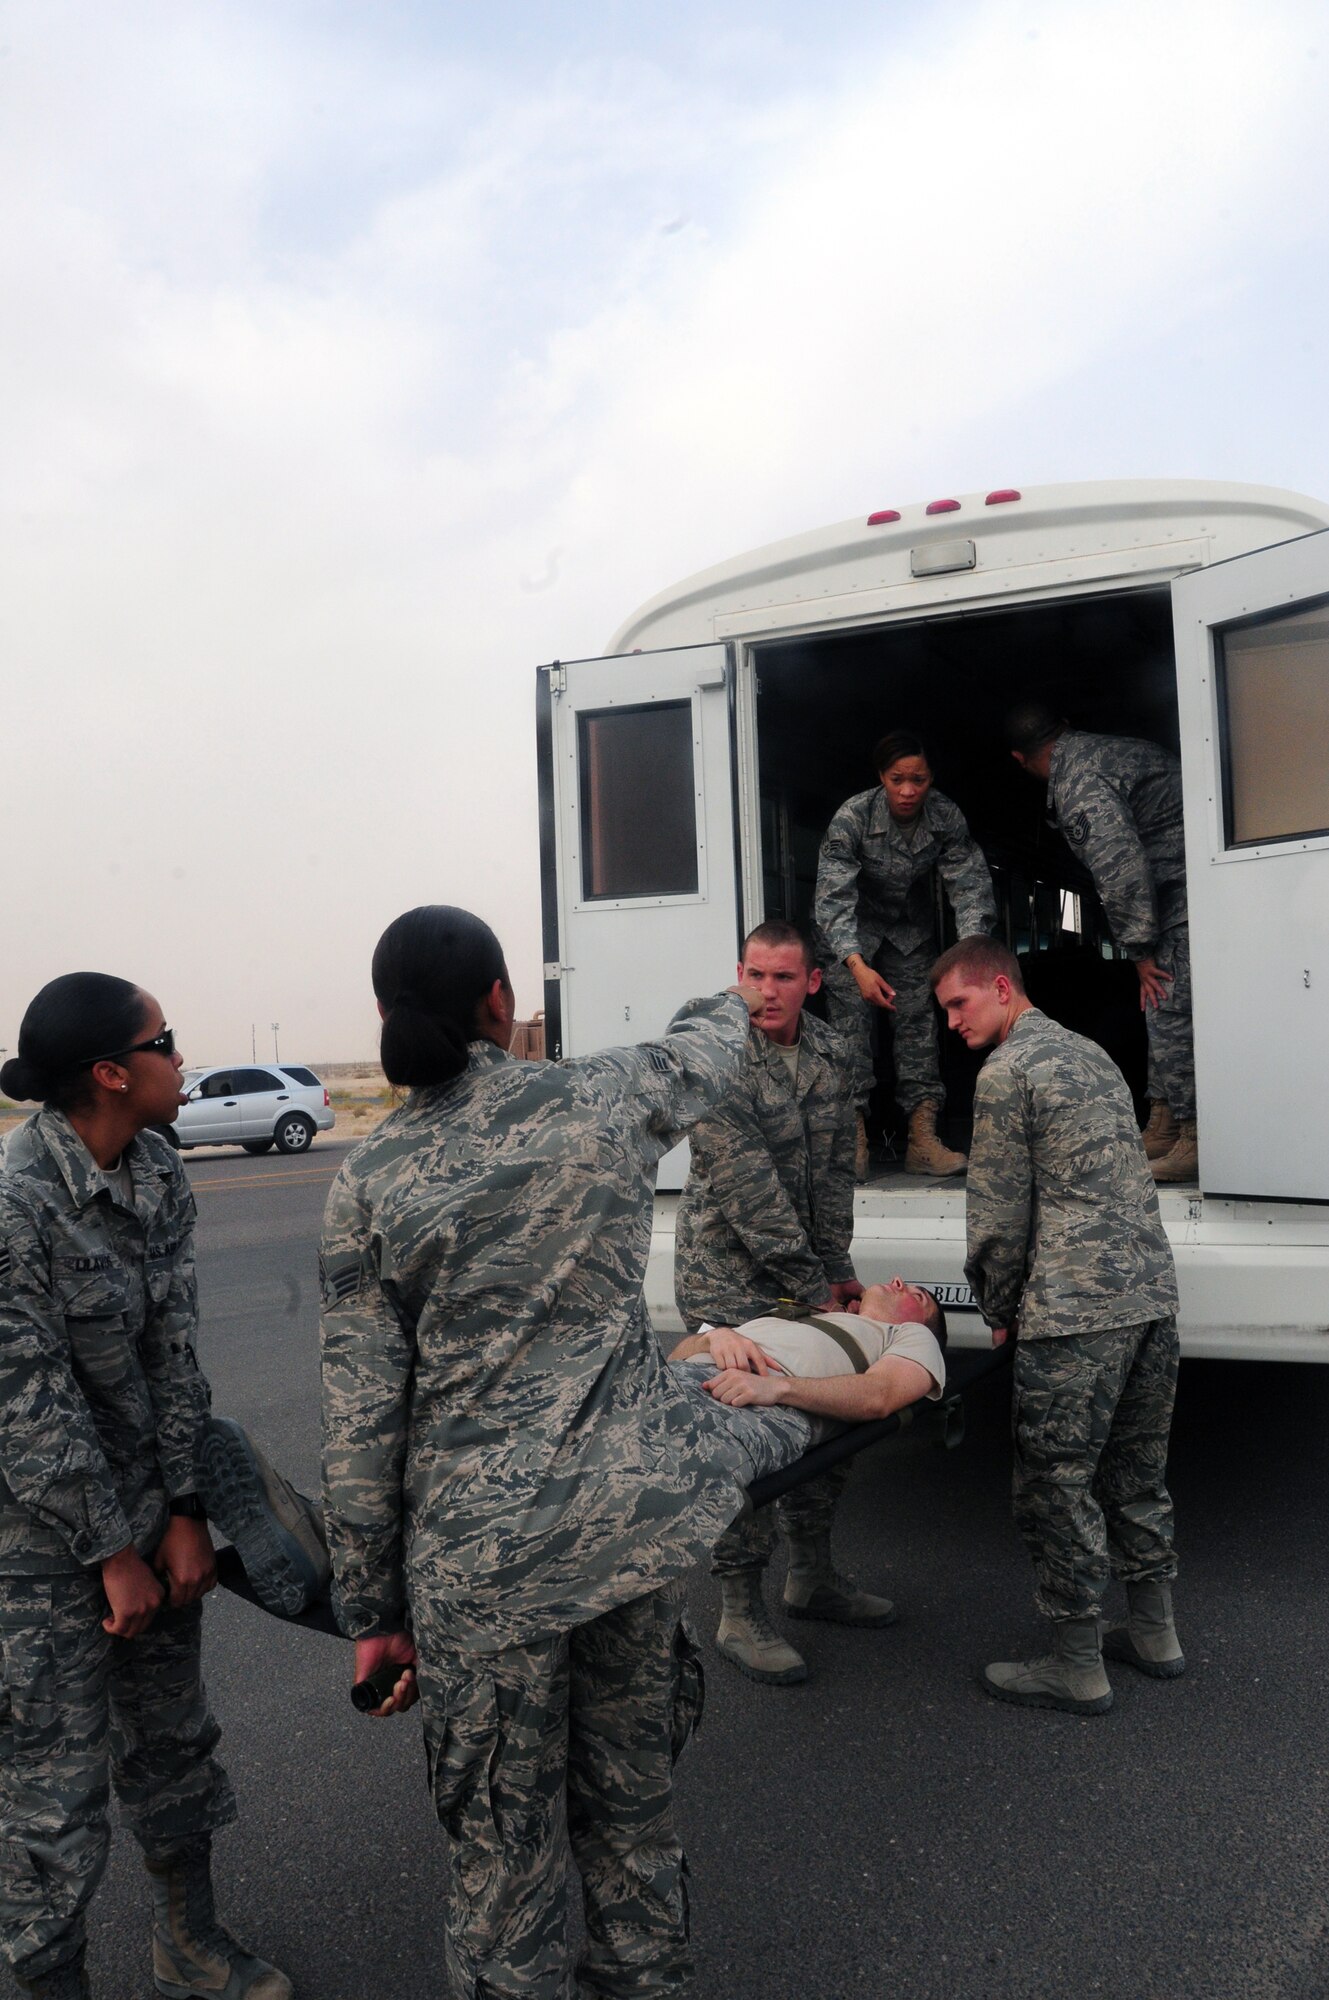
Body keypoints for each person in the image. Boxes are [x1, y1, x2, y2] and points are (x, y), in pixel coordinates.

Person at [318, 906, 767, 2000]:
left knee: (502, 1856)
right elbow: (720, 1040)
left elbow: (363, 1425)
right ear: (502, 1002)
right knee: (632, 1808)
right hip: (624, 1539)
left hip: (482, 1573)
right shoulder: (600, 1096)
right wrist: (727, 984)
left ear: (384, 1015)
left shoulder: (370, 1178)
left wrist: (373, 1614)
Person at [0, 974, 292, 2000]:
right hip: (37, 1542)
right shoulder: (15, 1202)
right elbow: (23, 1401)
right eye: (165, 1038)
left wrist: (181, 1512)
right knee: (52, 1799)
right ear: (112, 1072)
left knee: (172, 1740)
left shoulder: (159, 1169)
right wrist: (110, 1552)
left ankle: (188, 1940)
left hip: (143, 1511)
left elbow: (175, 1350)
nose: (183, 1052)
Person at [931, 938, 1184, 1716]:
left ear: (1001, 987)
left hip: (1074, 1312)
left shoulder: (1006, 1073)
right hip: (1149, 1299)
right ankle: (1153, 1633)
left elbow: (999, 1218)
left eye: (957, 1004)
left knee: (1055, 1482)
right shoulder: (1092, 1055)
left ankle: (1075, 1662)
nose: (949, 1024)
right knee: (1136, 1475)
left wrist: (999, 1309)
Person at [674, 919, 889, 1687]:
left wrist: (837, 1267)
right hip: (727, 1280)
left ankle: (812, 1577)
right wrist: (814, 1283)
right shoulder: (714, 1047)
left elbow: (835, 1173)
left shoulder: (830, 1054)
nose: (765, 992)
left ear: (811, 982)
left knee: (821, 1422)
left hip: (801, 1270)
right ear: (739, 973)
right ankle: (739, 1607)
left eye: (782, 978)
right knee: (744, 1444)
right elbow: (744, 1188)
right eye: (754, 976)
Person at [1004, 701, 1195, 1182]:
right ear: (1064, 726)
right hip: (1181, 892)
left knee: (1166, 1001)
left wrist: (1140, 950)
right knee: (1159, 1008)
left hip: (1186, 894)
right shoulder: (1103, 752)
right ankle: (1165, 1122)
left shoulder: (1077, 783)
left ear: (1018, 759)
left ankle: (1195, 1133)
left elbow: (1121, 867)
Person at [814, 729, 996, 1179]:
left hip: (910, 934)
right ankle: (852, 1140)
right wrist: (856, 966)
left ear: (931, 777)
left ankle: (922, 1139)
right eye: (898, 779)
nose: (909, 791)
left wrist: (971, 956)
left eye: (919, 779)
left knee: (918, 1027)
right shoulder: (853, 817)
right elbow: (832, 899)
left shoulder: (944, 815)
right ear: (882, 777)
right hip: (849, 935)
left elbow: (969, 885)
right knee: (849, 1035)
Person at [667, 1277, 947, 1444]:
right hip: (678, 1377)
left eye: (917, 1295)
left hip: (749, 1406)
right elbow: (673, 1357)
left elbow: (880, 1395)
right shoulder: (811, 1313)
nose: (898, 1281)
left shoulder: (911, 1335)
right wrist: (713, 1338)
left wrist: (777, 1389)